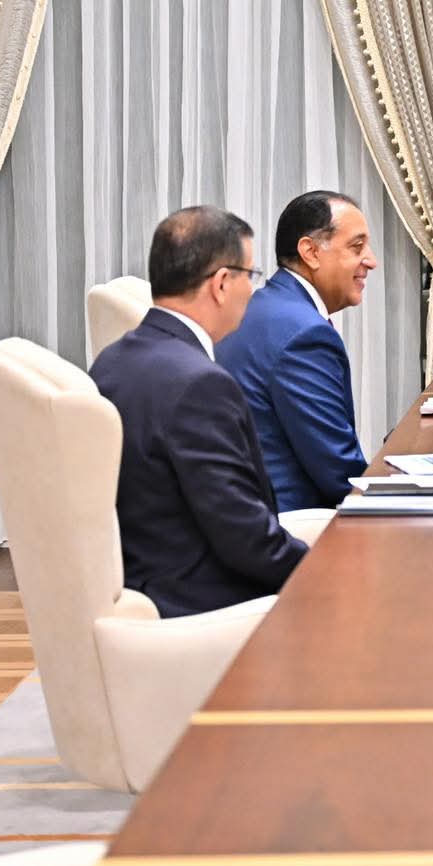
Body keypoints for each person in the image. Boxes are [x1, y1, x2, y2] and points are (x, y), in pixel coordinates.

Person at [89, 206, 307, 617]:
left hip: (145, 578)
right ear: (222, 283)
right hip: (203, 604)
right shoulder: (199, 384)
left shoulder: (112, 359)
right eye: (250, 276)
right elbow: (245, 538)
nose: (252, 291)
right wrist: (326, 570)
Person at [219, 190, 379, 511]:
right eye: (356, 247)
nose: (371, 261)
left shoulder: (265, 307)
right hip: (291, 522)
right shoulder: (304, 335)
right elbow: (340, 476)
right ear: (311, 252)